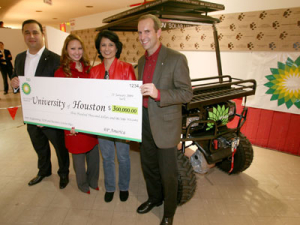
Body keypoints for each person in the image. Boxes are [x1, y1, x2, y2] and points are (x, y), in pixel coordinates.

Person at [136, 14, 193, 225]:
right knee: (148, 165)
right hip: (144, 121)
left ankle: (169, 212)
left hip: (166, 124)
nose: (143, 36)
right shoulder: (141, 61)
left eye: (147, 31)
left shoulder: (176, 59)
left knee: (168, 172)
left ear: (159, 32)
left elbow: (186, 93)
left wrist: (159, 94)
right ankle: (154, 198)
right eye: (140, 32)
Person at [11, 19, 70, 189]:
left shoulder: (55, 59)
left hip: (51, 115)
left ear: (42, 35)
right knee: (39, 146)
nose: (31, 36)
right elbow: (17, 79)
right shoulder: (20, 58)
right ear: (23, 35)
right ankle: (44, 171)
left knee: (60, 147)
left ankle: (64, 173)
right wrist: (14, 84)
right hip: (30, 114)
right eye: (27, 32)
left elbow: (61, 89)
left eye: (35, 32)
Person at [90, 30, 136, 202]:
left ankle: (124, 186)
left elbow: (132, 99)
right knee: (107, 157)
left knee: (123, 157)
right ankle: (110, 187)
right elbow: (90, 99)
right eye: (103, 45)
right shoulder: (94, 71)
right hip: (102, 123)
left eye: (110, 44)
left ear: (117, 48)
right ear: (99, 48)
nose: (107, 48)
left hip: (121, 123)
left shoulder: (127, 68)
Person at [54, 34, 100, 194]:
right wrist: (68, 123)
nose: (77, 52)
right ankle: (82, 183)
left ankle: (93, 180)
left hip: (90, 120)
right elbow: (60, 101)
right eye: (72, 48)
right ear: (66, 50)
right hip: (72, 122)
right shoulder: (60, 73)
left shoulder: (90, 69)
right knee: (79, 157)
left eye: (79, 48)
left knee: (94, 154)